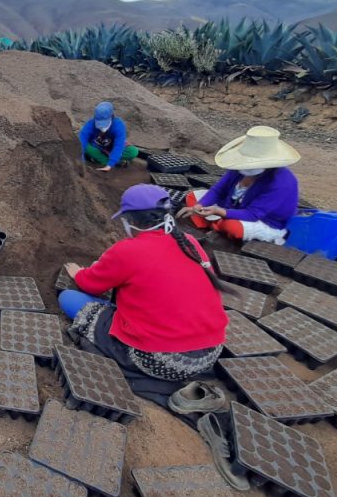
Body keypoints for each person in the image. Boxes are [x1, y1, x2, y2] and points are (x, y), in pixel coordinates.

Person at [59, 184, 228, 384]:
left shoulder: (128, 251)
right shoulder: (189, 241)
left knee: (68, 298)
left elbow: (90, 285)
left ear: (130, 221)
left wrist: (79, 273)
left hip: (162, 361)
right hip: (209, 353)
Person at [178, 126, 300, 244]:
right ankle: (216, 225)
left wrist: (219, 212)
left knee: (232, 226)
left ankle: (219, 226)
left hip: (264, 220)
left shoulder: (282, 183)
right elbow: (218, 190)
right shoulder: (238, 168)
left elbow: (253, 214)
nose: (245, 167)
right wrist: (200, 205)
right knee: (192, 198)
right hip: (233, 206)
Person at [77, 101, 139, 172]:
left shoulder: (118, 126)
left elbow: (118, 146)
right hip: (97, 147)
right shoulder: (90, 124)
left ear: (112, 116)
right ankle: (116, 162)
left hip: (111, 148)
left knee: (133, 151)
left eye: (104, 123)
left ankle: (105, 160)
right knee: (87, 148)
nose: (102, 128)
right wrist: (81, 161)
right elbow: (81, 141)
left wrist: (110, 165)